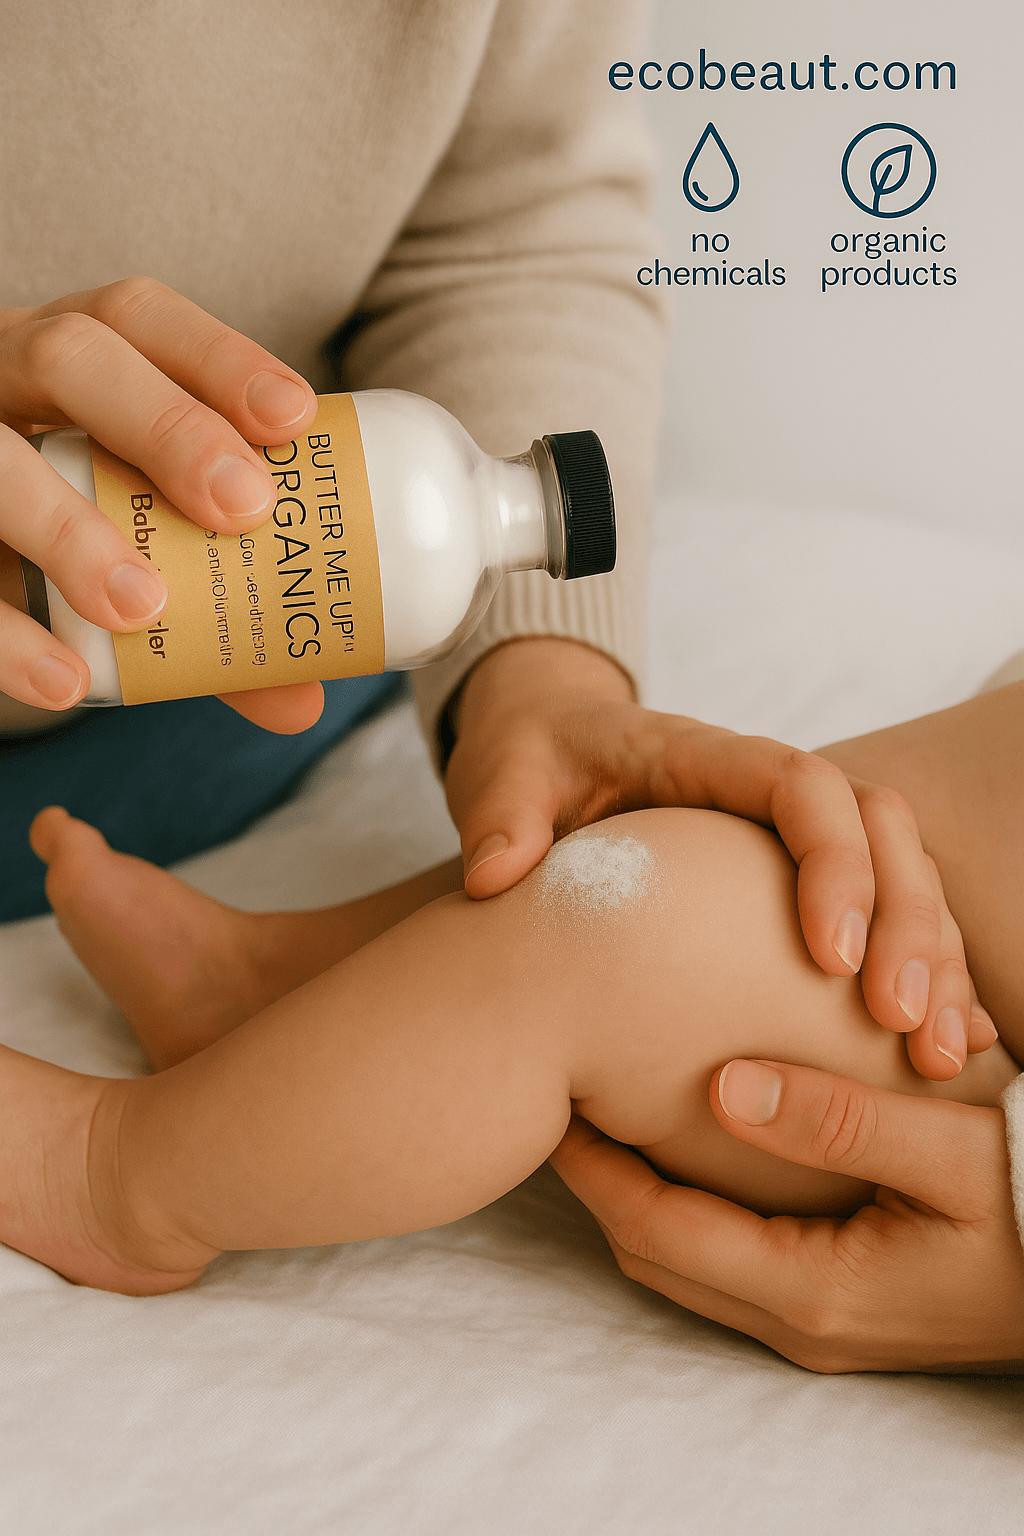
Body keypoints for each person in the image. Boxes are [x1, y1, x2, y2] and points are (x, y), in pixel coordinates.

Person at [0, 3, 980, 1093]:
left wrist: (540, 690)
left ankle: (284, 982)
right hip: (126, 672)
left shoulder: (435, 571)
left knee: (677, 900)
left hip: (231, 694)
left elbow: (508, 226)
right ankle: (107, 1164)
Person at [3, 675, 1023, 1383]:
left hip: (965, 1072)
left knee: (626, 916)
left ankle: (112, 1178)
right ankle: (274, 988)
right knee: (782, 814)